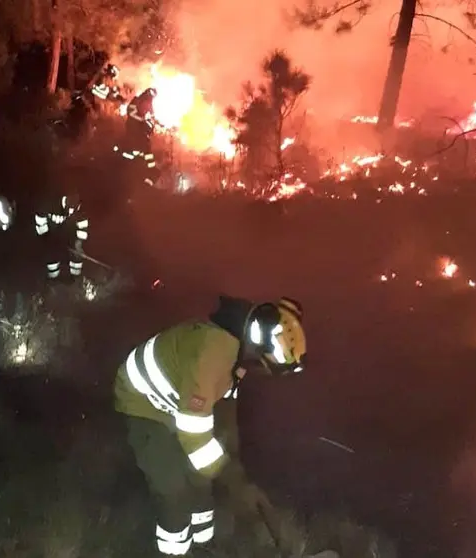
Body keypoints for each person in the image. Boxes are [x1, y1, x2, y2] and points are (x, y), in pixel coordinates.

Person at [113, 295, 307, 556]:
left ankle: (204, 546)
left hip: (178, 404)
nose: (260, 372)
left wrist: (235, 467)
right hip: (144, 402)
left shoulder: (237, 353)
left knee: (201, 476)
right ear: (261, 348)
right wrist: (233, 480)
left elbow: (225, 415)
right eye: (264, 366)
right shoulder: (214, 352)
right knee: (173, 485)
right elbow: (194, 432)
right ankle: (174, 552)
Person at [33, 190, 90, 283]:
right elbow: (40, 221)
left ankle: (76, 280)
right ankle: (53, 280)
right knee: (51, 255)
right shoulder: (49, 203)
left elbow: (83, 226)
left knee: (76, 255)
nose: (71, 213)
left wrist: (78, 243)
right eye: (70, 209)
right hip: (50, 235)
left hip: (70, 234)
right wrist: (46, 238)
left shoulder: (78, 207)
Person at [116, 87, 159, 186]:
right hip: (134, 128)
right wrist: (142, 119)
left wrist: (153, 122)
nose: (150, 99)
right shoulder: (137, 100)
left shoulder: (149, 103)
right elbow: (131, 112)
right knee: (138, 148)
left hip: (142, 131)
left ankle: (149, 169)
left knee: (145, 149)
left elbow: (151, 115)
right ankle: (132, 165)